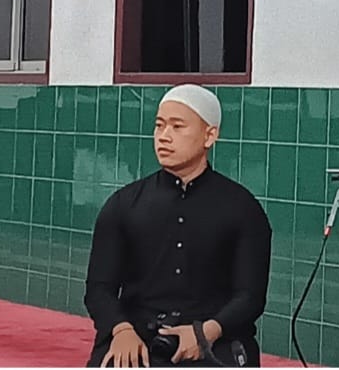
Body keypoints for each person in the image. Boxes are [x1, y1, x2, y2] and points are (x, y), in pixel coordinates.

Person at [84, 84, 272, 368]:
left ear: (210, 135)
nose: (163, 137)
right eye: (159, 126)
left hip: (214, 337)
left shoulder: (243, 209)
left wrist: (207, 332)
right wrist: (120, 331)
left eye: (177, 126)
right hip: (137, 336)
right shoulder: (123, 204)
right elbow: (99, 290)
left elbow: (250, 297)